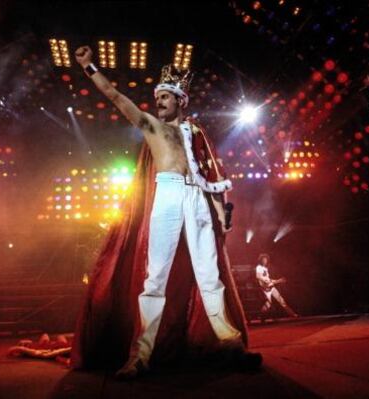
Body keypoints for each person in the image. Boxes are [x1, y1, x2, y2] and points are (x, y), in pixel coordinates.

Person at [71, 46, 261, 379]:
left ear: (180, 100)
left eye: (165, 97)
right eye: (156, 96)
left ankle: (230, 344)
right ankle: (140, 355)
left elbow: (210, 174)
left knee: (209, 275)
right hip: (169, 193)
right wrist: (89, 67)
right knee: (155, 277)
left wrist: (221, 211)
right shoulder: (151, 127)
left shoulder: (197, 133)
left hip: (198, 198)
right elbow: (115, 96)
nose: (158, 100)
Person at [255, 254, 298, 318]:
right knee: (268, 304)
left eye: (266, 259)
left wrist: (277, 280)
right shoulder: (258, 267)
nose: (265, 261)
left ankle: (292, 314)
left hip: (270, 287)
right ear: (261, 260)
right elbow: (258, 276)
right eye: (263, 260)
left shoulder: (265, 268)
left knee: (281, 300)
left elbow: (268, 279)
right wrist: (275, 281)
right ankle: (259, 316)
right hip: (265, 288)